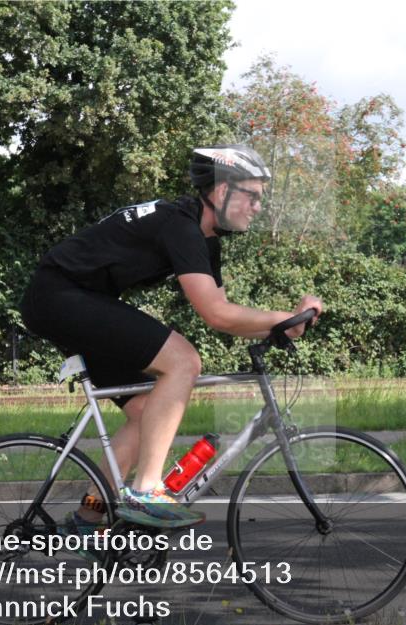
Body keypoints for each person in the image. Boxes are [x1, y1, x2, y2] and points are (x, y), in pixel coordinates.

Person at [19, 145, 323, 532]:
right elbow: (216, 314)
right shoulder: (179, 226)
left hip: (73, 298)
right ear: (221, 191)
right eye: (252, 195)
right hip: (59, 295)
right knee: (183, 361)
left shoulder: (204, 238)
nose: (258, 207)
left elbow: (224, 314)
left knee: (146, 413)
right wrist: (284, 317)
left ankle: (89, 515)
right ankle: (146, 490)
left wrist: (281, 325)